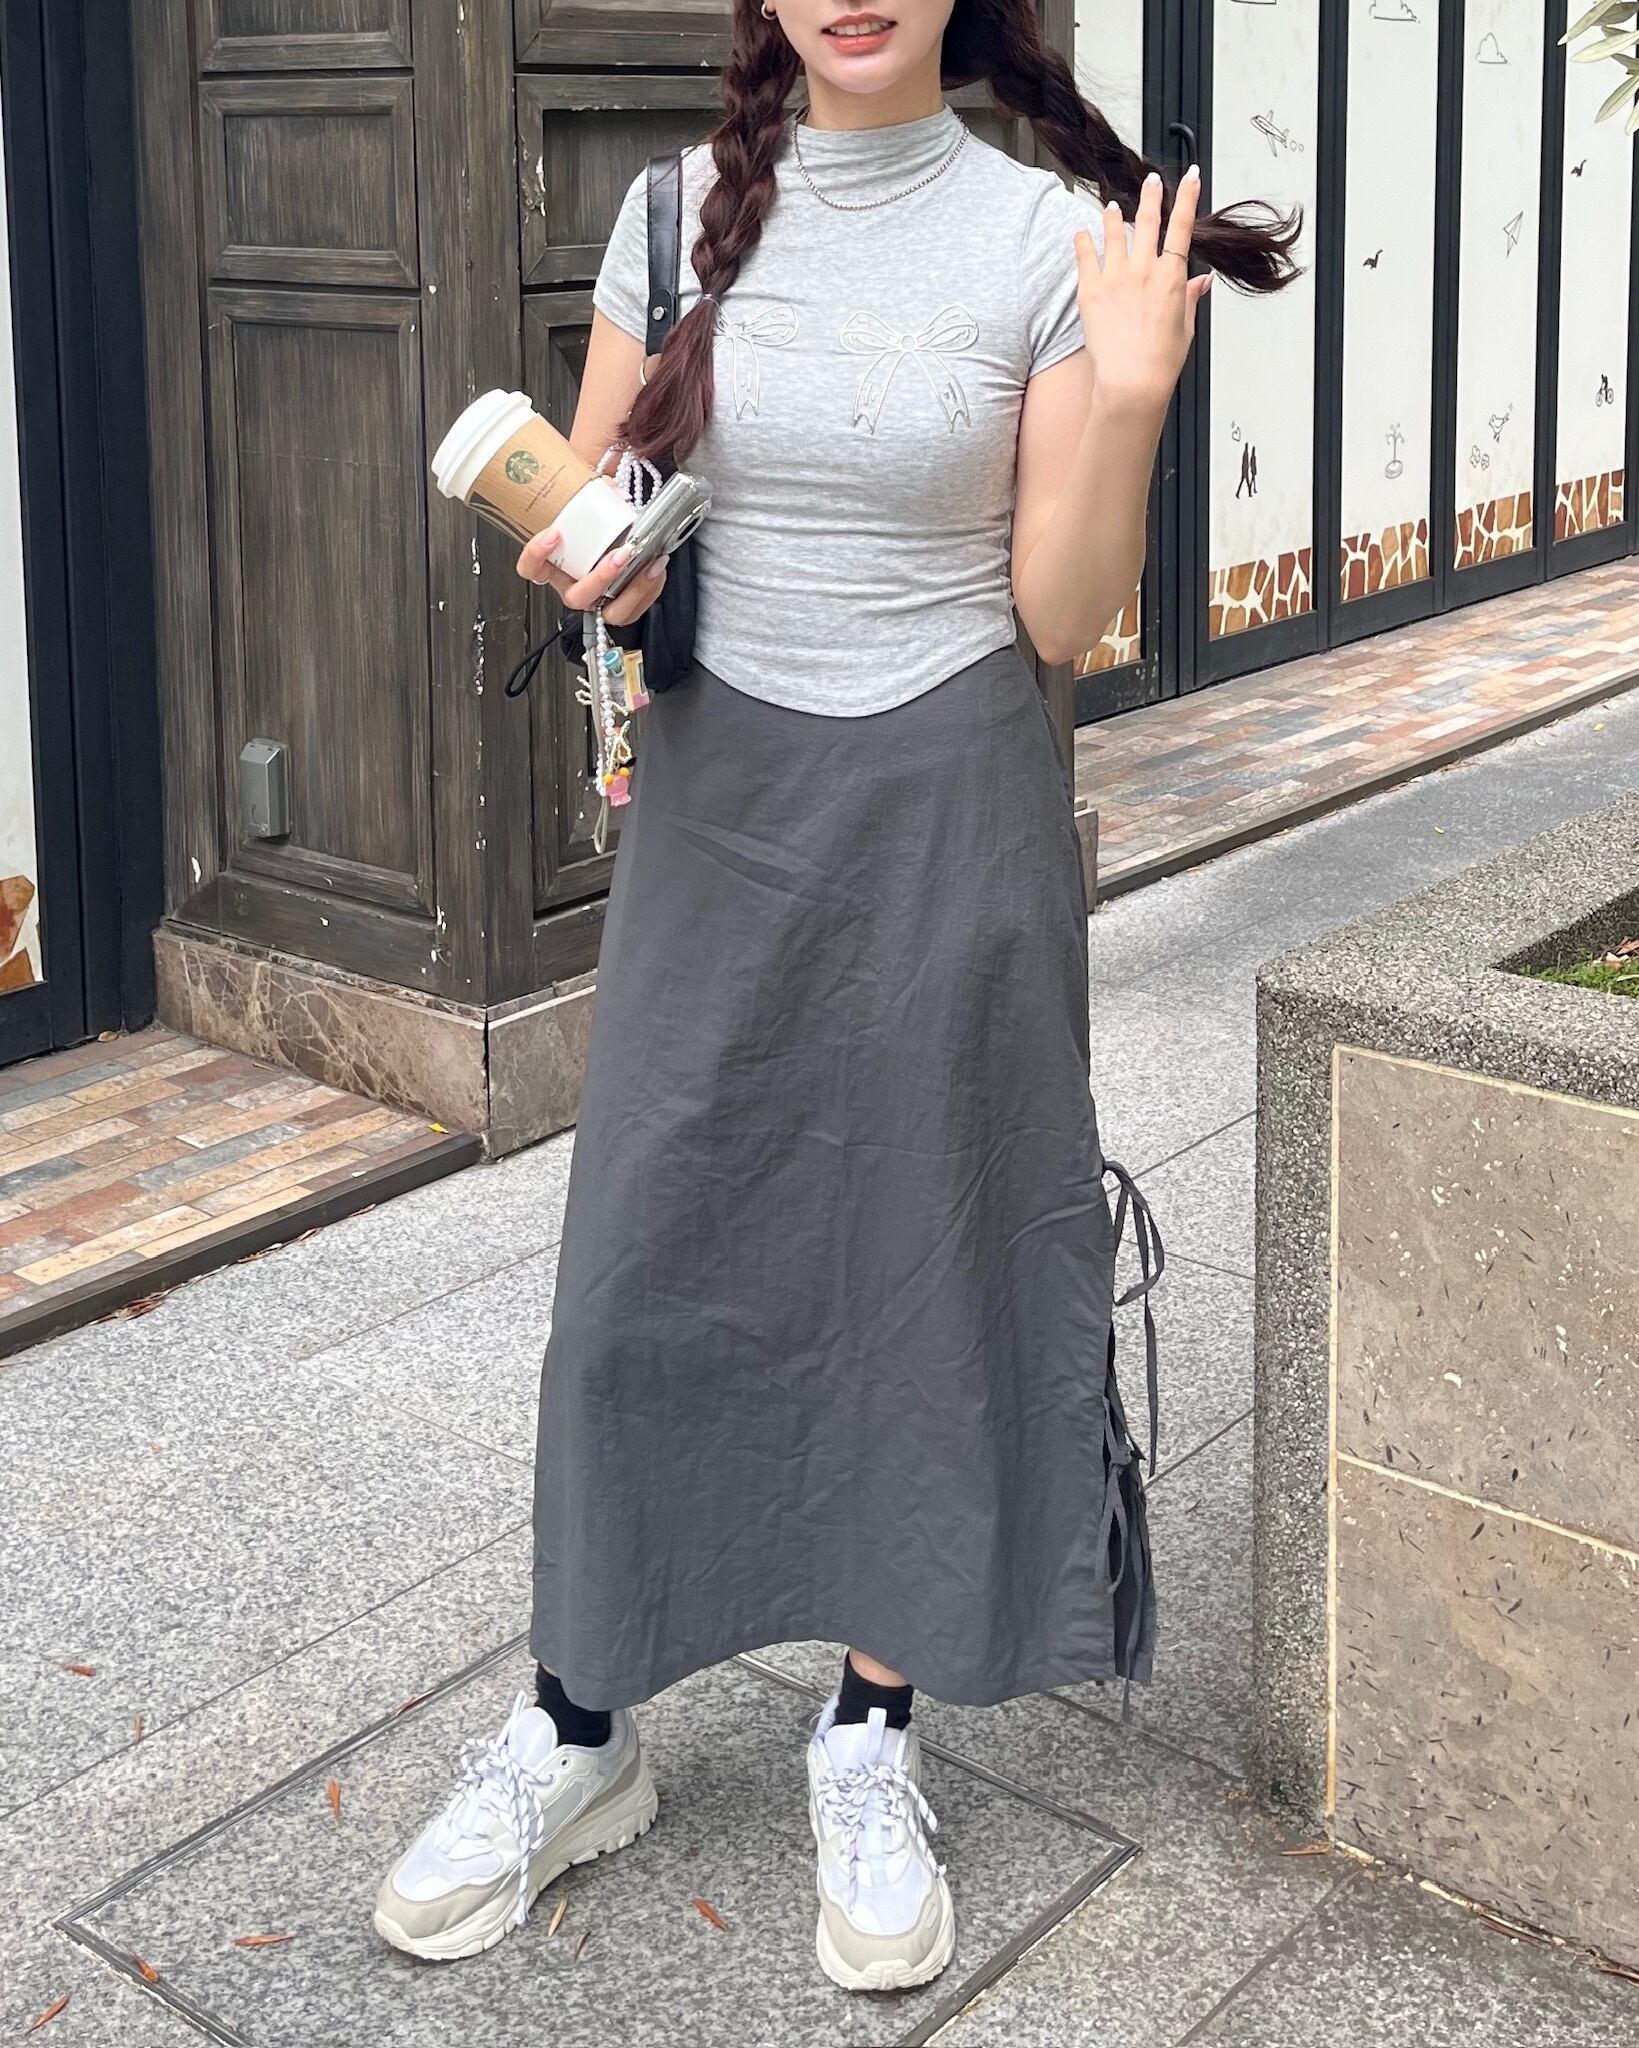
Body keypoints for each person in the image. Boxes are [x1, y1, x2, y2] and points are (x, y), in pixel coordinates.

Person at [373, 0, 1298, 1993]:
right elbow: (607, 515)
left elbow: (1062, 615)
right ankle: (578, 1718)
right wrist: (600, 571)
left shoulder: (1045, 242)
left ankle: (871, 1729)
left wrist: (1133, 388)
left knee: (920, 1257)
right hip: (720, 803)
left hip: (952, 800)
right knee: (640, 1267)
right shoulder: (666, 215)